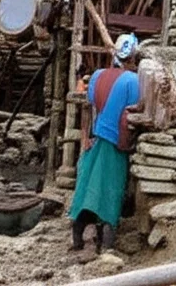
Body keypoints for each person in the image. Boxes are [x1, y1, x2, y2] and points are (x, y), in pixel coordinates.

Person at [69, 33, 141, 252]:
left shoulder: (98, 75)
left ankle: (78, 233)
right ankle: (107, 239)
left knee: (87, 186)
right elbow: (135, 109)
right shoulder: (133, 81)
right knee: (110, 189)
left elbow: (92, 102)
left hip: (97, 137)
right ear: (133, 56)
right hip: (117, 142)